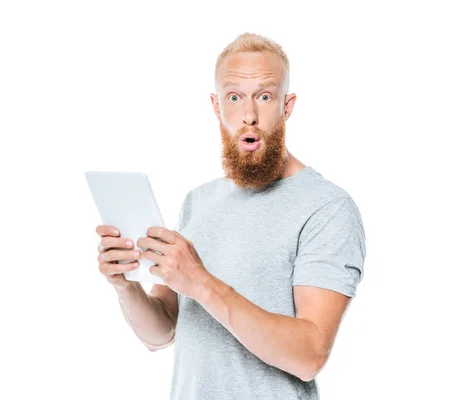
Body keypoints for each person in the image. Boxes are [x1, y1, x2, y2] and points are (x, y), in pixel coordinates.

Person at [95, 32, 366, 400]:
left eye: (265, 97)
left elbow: (309, 355)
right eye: (234, 98)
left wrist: (201, 283)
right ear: (216, 105)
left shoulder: (326, 207)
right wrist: (125, 285)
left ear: (287, 106)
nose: (249, 115)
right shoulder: (198, 201)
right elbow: (161, 333)